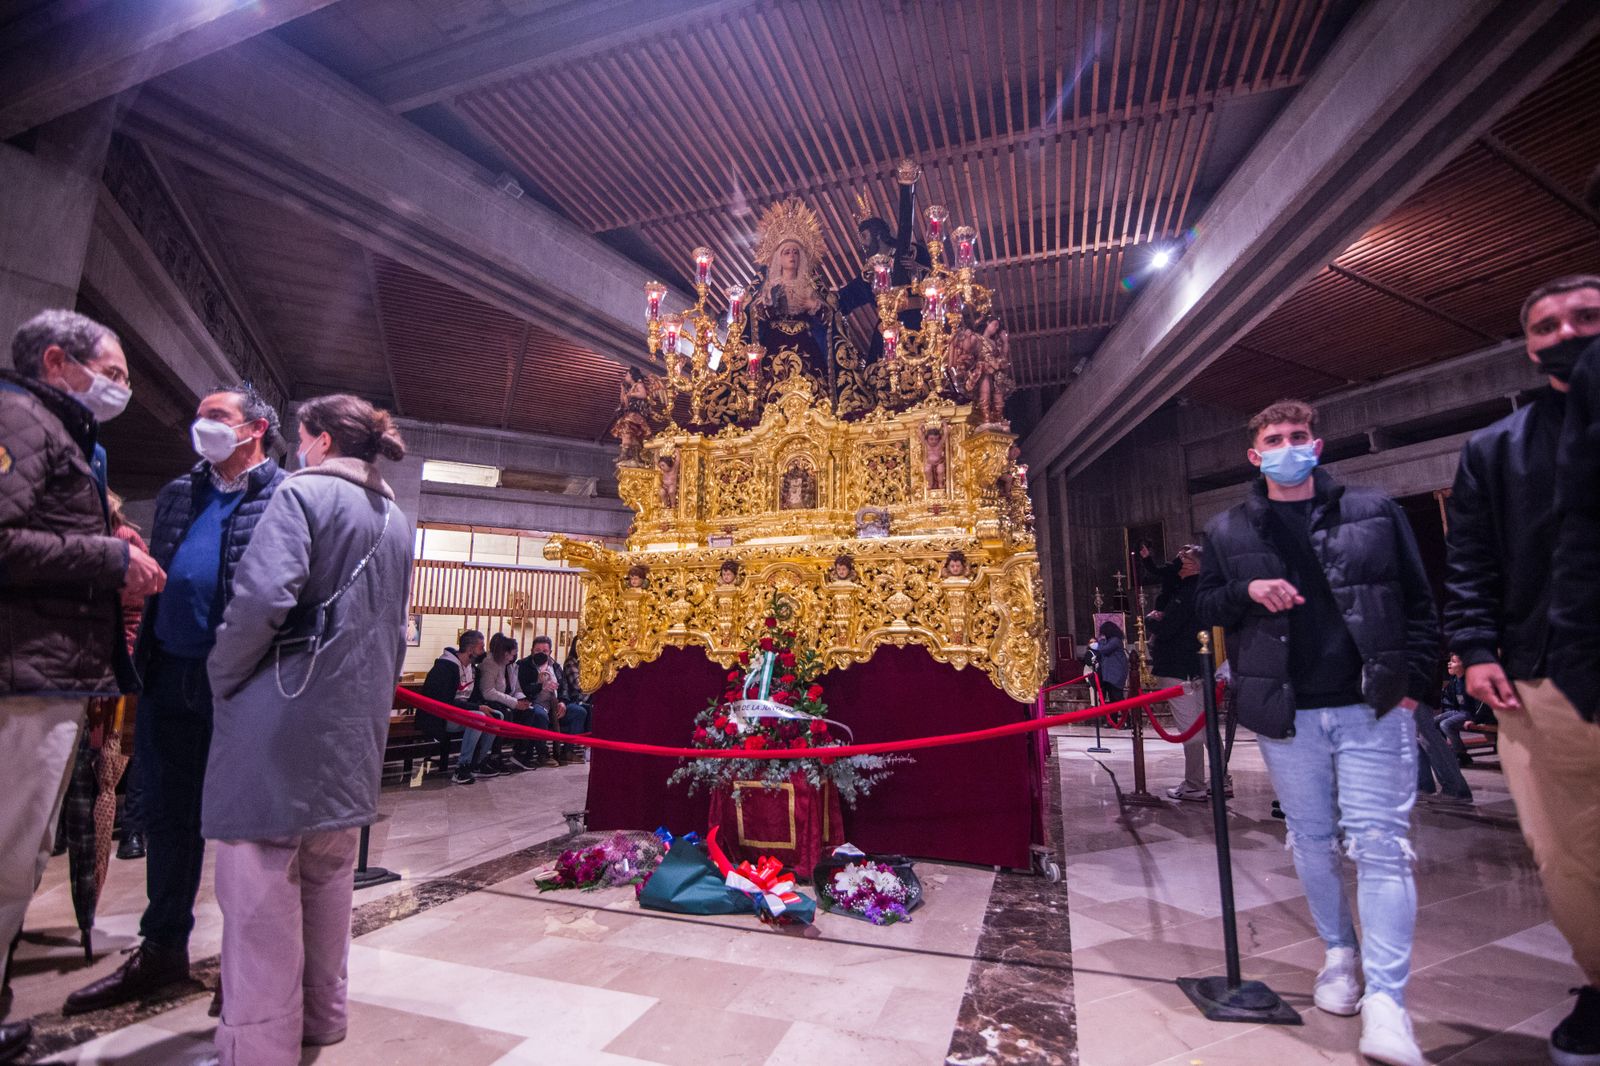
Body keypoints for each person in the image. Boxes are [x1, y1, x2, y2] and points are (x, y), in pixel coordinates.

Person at [1197, 399, 1437, 1066]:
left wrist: (1414, 684)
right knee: (1311, 839)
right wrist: (1247, 593)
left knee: (1382, 846)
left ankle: (1388, 1000)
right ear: (1254, 455)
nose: (1286, 446)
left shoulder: (1373, 510)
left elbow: (1418, 599)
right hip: (1285, 706)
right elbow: (1206, 603)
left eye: (1296, 436)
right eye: (1273, 438)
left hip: (1371, 702)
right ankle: (1339, 953)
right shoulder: (1229, 527)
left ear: (1318, 444)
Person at [201, 393, 412, 1064]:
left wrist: (223, 673)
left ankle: (258, 1044)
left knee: (259, 881)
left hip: (282, 710)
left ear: (320, 440)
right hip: (350, 721)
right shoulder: (397, 517)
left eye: (302, 436)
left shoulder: (301, 496)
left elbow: (262, 598)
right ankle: (322, 1016)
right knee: (328, 876)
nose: (299, 448)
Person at [64, 383, 285, 1016]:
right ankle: (162, 948)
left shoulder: (285, 497)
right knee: (168, 818)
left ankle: (243, 965)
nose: (202, 428)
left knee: (245, 829)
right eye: (198, 417)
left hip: (239, 685)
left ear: (256, 429)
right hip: (168, 675)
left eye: (217, 417)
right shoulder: (179, 493)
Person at [0, 310, 163, 1064]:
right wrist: (107, 558)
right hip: (21, 672)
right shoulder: (20, 418)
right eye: (115, 372)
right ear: (59, 360)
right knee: (6, 851)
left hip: (49, 670)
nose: (120, 389)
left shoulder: (60, 430)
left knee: (19, 855)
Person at [1446, 274, 1600, 1065]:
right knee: (1569, 856)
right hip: (1543, 679)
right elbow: (1471, 562)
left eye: (1588, 318)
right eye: (1549, 324)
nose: (1568, 333)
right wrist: (1476, 650)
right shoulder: (1496, 449)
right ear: (1531, 345)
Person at [1140, 544, 1214, 802]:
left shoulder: (1188, 592)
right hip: (1195, 666)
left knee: (1190, 728)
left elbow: (1168, 627)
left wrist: (1151, 619)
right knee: (1206, 725)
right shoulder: (1197, 590)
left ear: (1193, 566)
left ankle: (1194, 785)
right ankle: (1221, 779)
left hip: (1179, 667)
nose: (1177, 559)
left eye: (1183, 557)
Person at [418, 630, 494, 778]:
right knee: (478, 716)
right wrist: (477, 708)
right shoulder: (444, 668)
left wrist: (482, 706)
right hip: (440, 716)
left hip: (461, 714)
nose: (483, 652)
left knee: (495, 718)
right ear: (470, 649)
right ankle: (462, 767)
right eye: (481, 647)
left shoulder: (472, 670)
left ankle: (478, 762)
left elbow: (475, 697)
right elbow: (444, 701)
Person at [479, 633, 536, 773]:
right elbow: (488, 691)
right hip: (490, 702)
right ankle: (495, 756)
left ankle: (520, 753)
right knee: (504, 714)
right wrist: (514, 703)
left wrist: (521, 700)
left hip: (507, 701)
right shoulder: (490, 664)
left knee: (529, 712)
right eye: (511, 654)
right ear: (504, 653)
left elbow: (516, 688)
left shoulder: (510, 666)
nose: (513, 657)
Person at [1435, 653, 1493, 764]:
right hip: (1459, 712)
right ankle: (1444, 751)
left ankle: (1461, 754)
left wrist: (1475, 720)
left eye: (1453, 661)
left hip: (1471, 714)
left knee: (1446, 724)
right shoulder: (1454, 681)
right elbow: (1451, 702)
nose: (1449, 663)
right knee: (1435, 721)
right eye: (1450, 661)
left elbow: (1482, 703)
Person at [1087, 621, 1128, 705]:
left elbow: (1105, 649)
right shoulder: (1107, 641)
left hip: (1115, 675)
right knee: (1107, 699)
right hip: (1107, 675)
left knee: (1117, 698)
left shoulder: (1115, 641)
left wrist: (1098, 644)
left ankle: (1126, 718)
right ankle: (1111, 717)